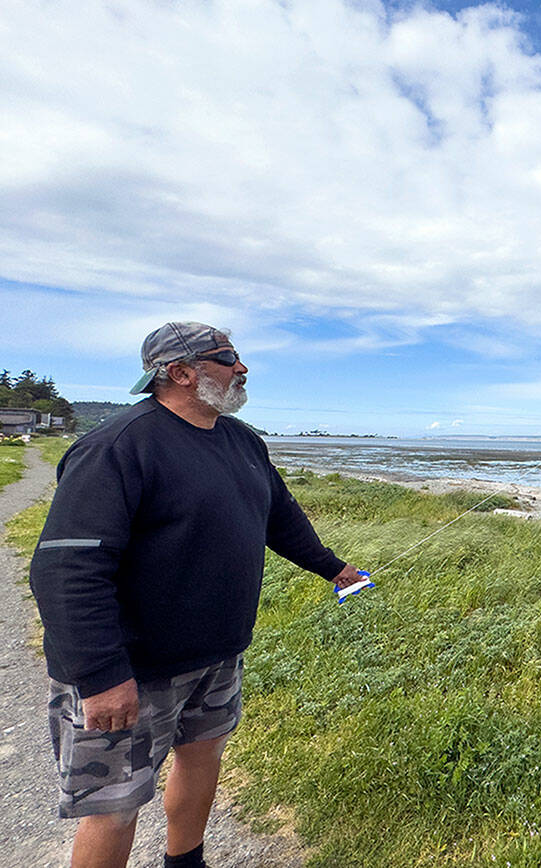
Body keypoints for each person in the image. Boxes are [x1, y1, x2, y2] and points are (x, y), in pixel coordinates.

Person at [29, 322, 366, 868]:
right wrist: (99, 675)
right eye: (227, 357)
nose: (242, 368)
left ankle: (185, 861)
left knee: (203, 758)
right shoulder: (117, 447)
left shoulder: (241, 440)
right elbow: (66, 569)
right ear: (180, 373)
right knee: (113, 804)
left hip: (217, 655)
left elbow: (278, 518)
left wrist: (332, 568)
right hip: (130, 670)